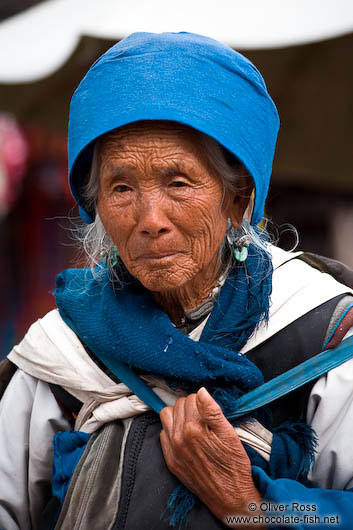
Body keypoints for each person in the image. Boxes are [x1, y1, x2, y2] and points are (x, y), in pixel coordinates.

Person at [0, 31, 353, 530]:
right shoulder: (62, 354)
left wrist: (252, 504)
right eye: (121, 187)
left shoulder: (323, 336)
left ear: (238, 198)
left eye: (178, 183)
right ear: (94, 203)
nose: (150, 219)